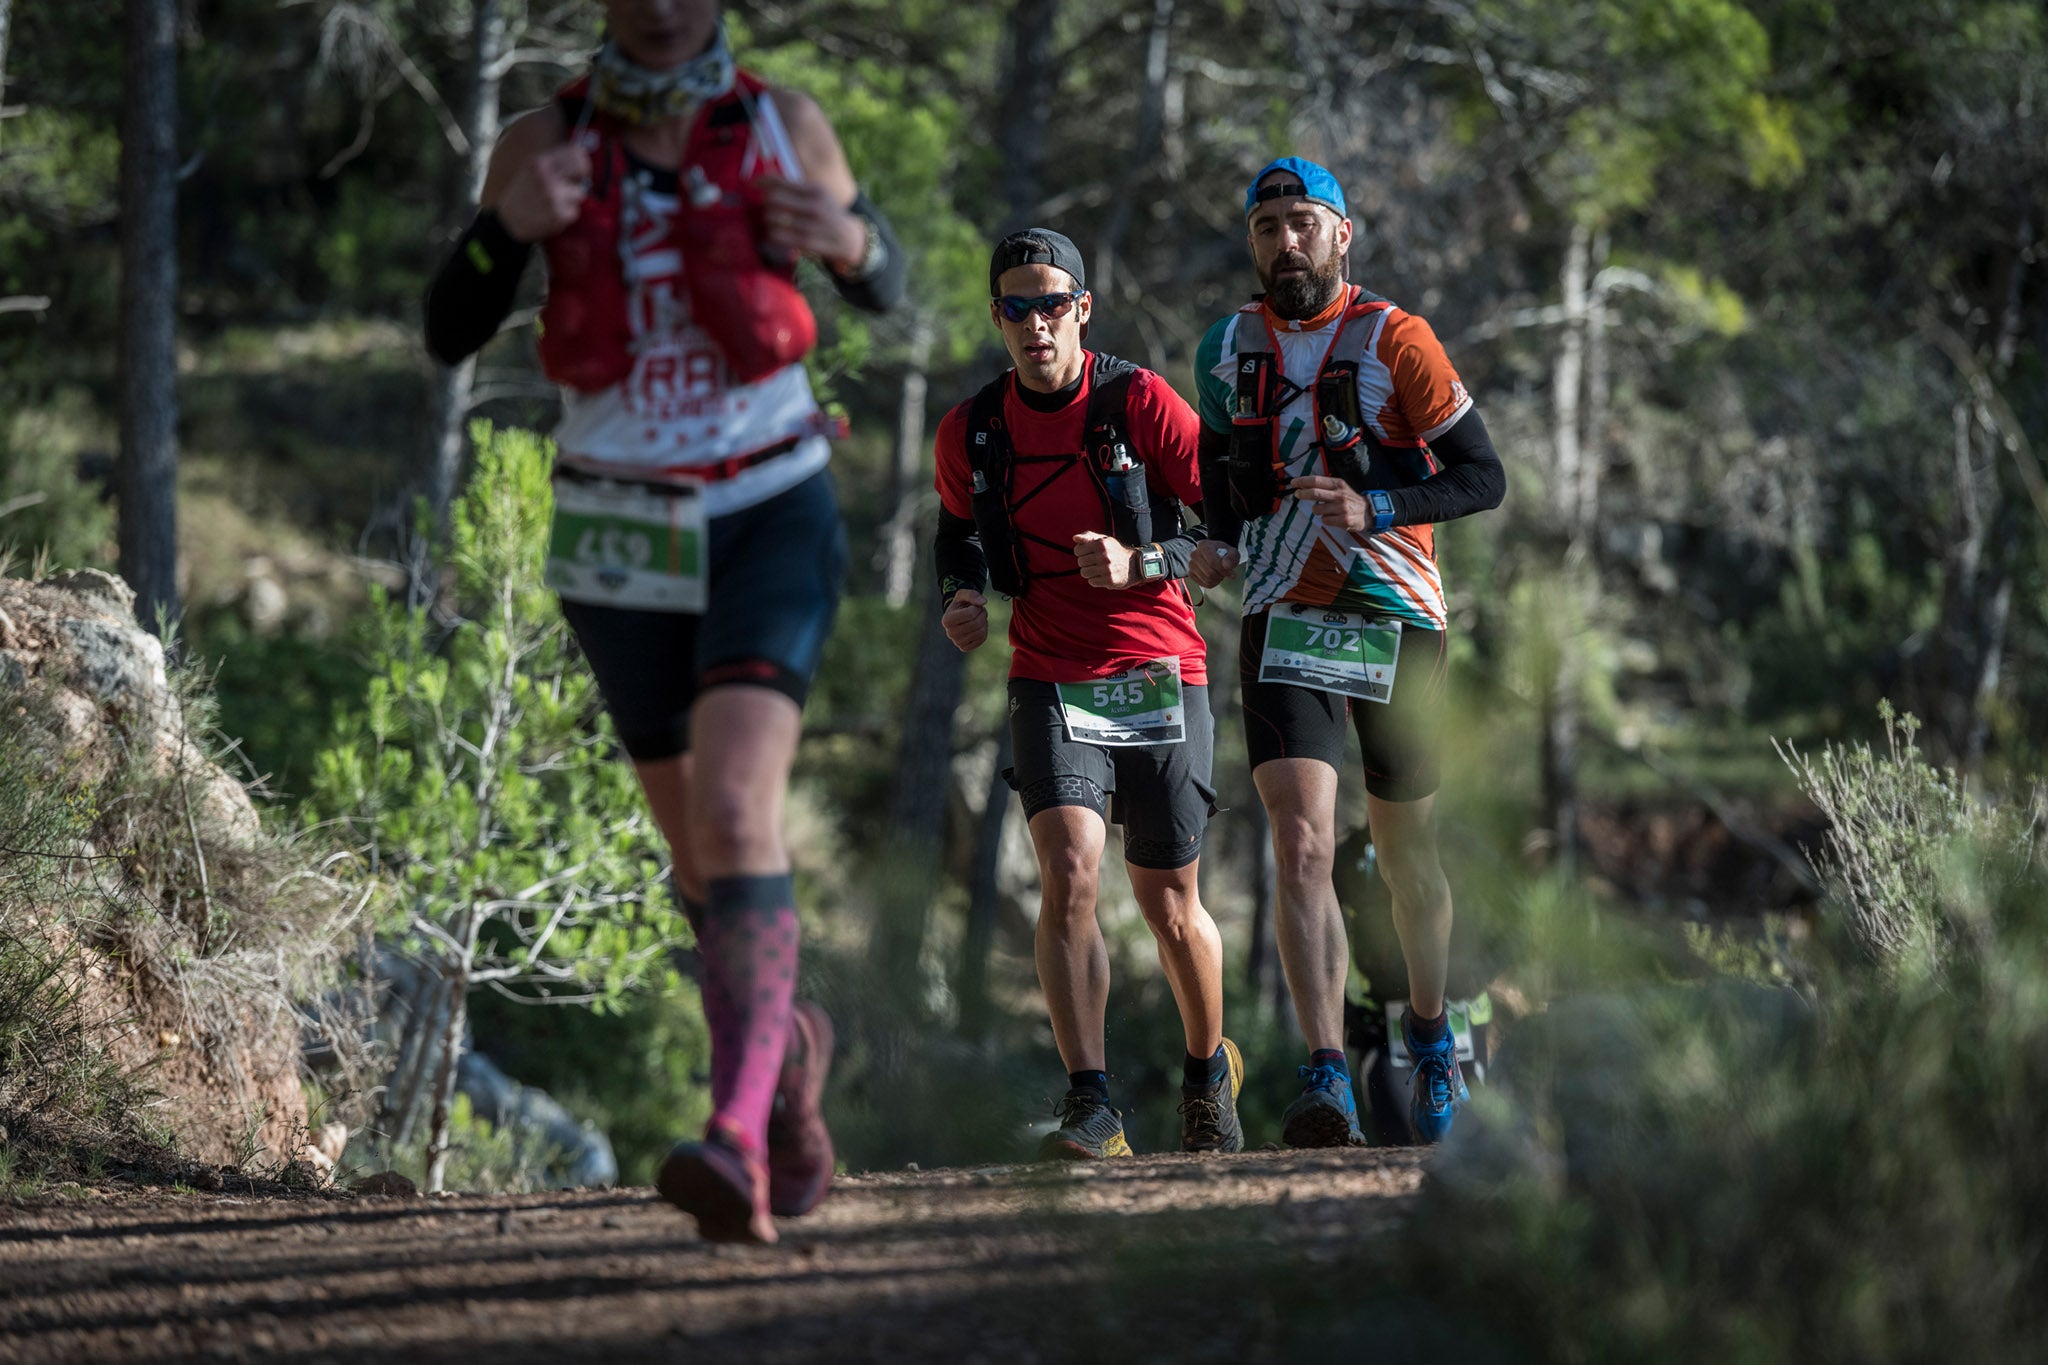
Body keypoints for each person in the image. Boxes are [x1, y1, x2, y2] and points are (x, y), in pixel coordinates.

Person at [422, 0, 904, 1241]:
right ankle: (787, 1075)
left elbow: (884, 286)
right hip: (615, 531)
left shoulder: (783, 122)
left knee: (743, 809)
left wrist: (850, 240)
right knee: (698, 862)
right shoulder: (541, 142)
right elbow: (449, 327)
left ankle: (732, 1137)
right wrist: (500, 233)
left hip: (766, 505)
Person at [1189, 158, 1505, 1145]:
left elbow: (1479, 478)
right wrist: (1206, 541)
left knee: (1406, 850)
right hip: (1284, 614)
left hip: (1397, 614)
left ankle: (1426, 1033)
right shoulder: (1226, 346)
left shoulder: (1395, 339)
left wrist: (1378, 505)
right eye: (1265, 226)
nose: (1282, 242)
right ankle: (1324, 1068)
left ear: (1340, 234)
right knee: (1299, 842)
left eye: (1299, 222)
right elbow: (1218, 487)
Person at [934, 229, 1243, 1159]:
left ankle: (1205, 1072)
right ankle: (1092, 1101)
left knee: (1170, 905)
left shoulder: (1137, 400)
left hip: (1158, 670)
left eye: (1052, 302)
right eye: (1016, 306)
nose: (1036, 322)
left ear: (1083, 308)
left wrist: (1140, 561)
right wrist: (959, 597)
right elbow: (957, 536)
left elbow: (1224, 536)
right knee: (1068, 872)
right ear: (997, 317)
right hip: (1049, 673)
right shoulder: (972, 429)